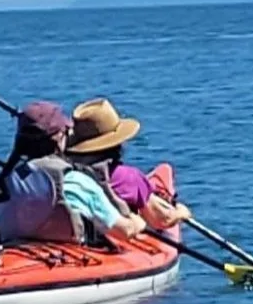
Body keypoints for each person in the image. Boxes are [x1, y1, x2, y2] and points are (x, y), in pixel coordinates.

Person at [0, 99, 145, 247]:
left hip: (16, 256)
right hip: (69, 264)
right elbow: (124, 231)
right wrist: (137, 222)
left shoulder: (1, 184)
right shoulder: (76, 182)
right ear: (59, 138)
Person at [65, 97, 191, 234]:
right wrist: (181, 213)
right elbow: (161, 220)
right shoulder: (128, 177)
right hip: (117, 232)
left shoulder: (67, 170)